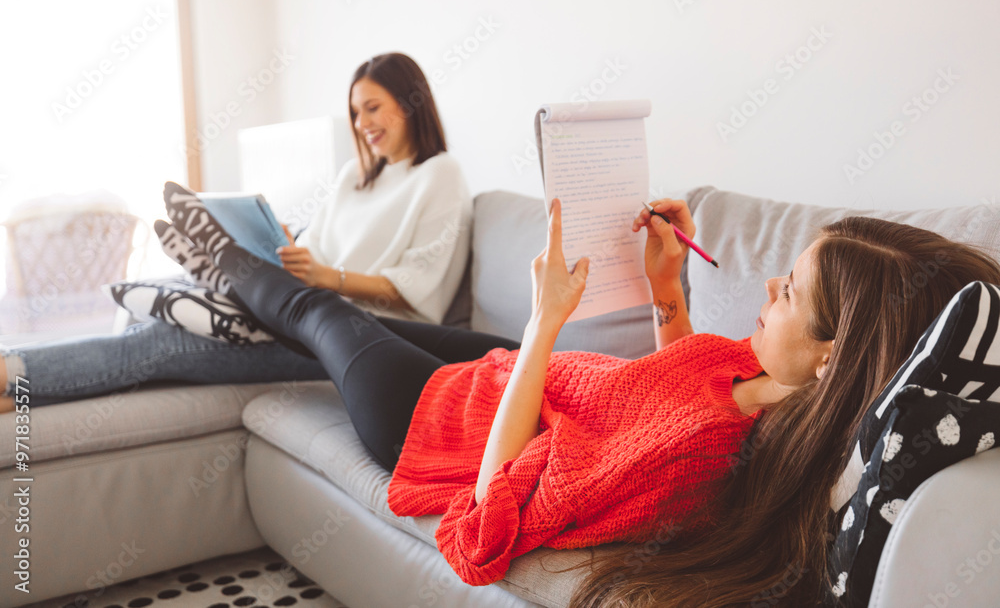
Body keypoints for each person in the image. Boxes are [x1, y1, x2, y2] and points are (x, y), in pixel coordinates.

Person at [89, 182, 1000, 603]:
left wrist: (544, 326)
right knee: (310, 322)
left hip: (430, 420)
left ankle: (221, 261)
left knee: (312, 308)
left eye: (790, 293)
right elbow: (661, 390)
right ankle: (226, 305)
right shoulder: (767, 386)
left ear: (838, 360)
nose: (767, 289)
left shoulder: (708, 462)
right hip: (513, 376)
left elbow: (489, 520)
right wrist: (667, 294)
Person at [0, 51, 472, 408]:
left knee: (163, 344)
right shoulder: (355, 176)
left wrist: (328, 279)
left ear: (411, 103)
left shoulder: (440, 174)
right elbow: (313, 251)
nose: (361, 123)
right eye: (355, 112)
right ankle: (19, 387)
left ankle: (11, 375)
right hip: (300, 311)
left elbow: (420, 290)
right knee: (158, 299)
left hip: (354, 337)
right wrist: (281, 244)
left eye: (372, 107)